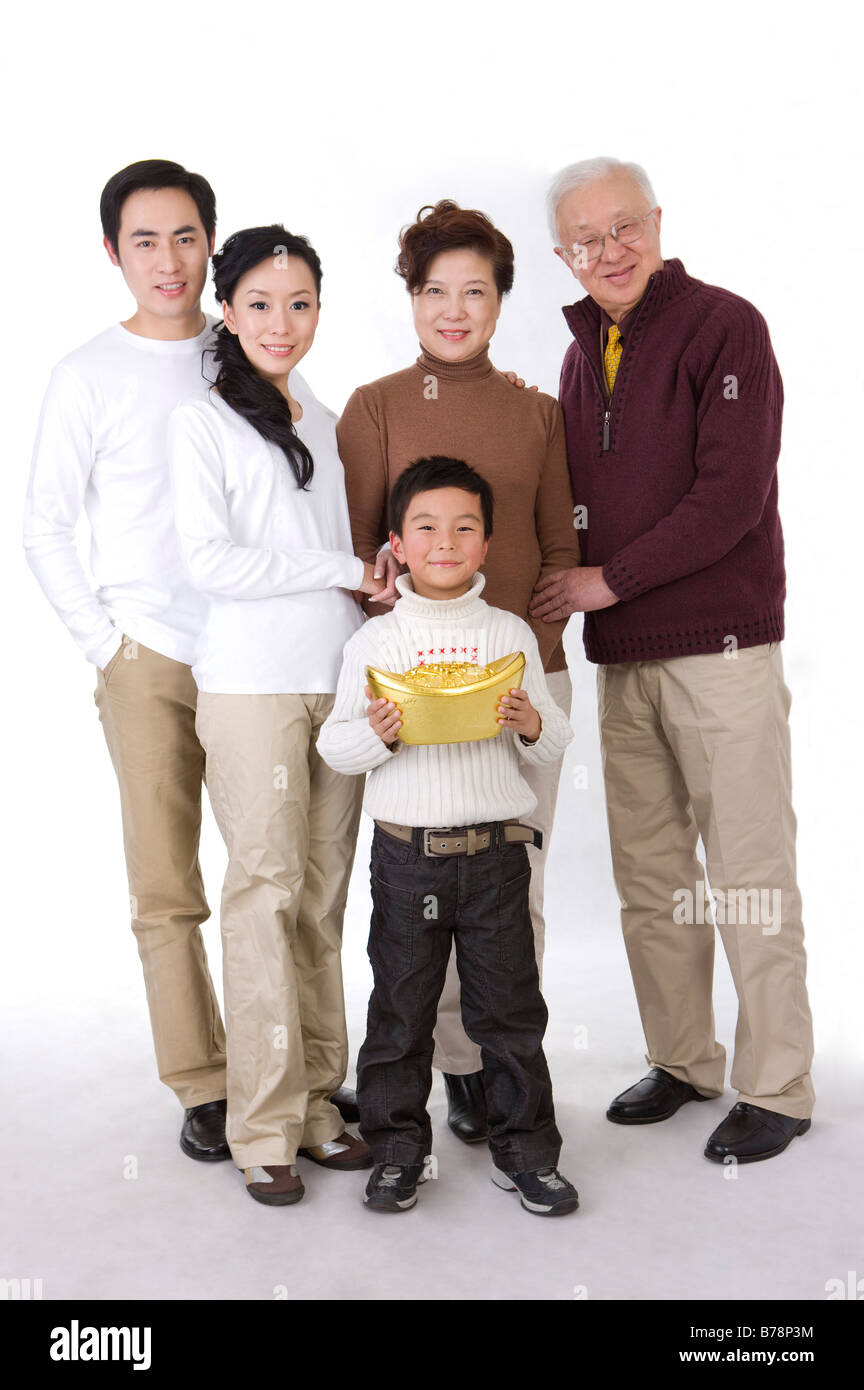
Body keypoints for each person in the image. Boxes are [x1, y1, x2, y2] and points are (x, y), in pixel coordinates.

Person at [532, 156, 814, 1163]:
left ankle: (776, 1084)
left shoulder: (724, 325)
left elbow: (732, 495)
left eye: (624, 227)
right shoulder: (578, 356)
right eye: (585, 238)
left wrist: (613, 579)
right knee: (652, 871)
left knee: (745, 870)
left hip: (721, 647)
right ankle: (685, 1060)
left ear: (656, 223)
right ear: (563, 253)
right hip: (625, 657)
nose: (609, 251)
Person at [337, 200, 579, 1145]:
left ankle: (496, 1062)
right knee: (424, 883)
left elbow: (557, 547)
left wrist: (527, 663)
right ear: (410, 297)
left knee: (515, 888)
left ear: (500, 300)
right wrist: (404, 640)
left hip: (522, 689)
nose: (454, 309)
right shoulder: (376, 407)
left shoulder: (537, 412)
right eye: (434, 290)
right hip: (409, 692)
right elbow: (365, 553)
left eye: (475, 291)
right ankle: (448, 1065)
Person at [22, 159, 234, 1163]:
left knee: (280, 877)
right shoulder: (86, 374)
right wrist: (109, 646)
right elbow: (44, 525)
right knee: (166, 885)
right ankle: (202, 1082)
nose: (168, 259)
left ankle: (292, 1071)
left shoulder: (247, 350)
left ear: (210, 243)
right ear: (113, 252)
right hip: (146, 657)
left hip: (250, 654)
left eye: (185, 236)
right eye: (144, 240)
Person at [169, 225, 384, 1205]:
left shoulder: (331, 420)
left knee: (323, 897)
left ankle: (317, 1103)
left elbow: (339, 564)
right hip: (250, 688)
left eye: (299, 303)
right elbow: (211, 564)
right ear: (227, 310)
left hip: (333, 683)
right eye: (260, 302)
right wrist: (341, 568)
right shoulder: (203, 423)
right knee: (264, 891)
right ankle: (260, 1125)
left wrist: (369, 591)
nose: (281, 322)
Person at [317, 457, 578, 1215]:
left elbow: (553, 740)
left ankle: (526, 1153)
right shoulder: (375, 644)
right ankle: (399, 1152)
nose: (445, 541)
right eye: (426, 527)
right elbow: (337, 748)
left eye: (465, 527)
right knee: (401, 1014)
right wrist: (378, 737)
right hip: (408, 858)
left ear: (488, 544)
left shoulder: (508, 632)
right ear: (397, 543)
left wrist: (530, 723)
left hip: (498, 854)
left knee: (511, 1012)